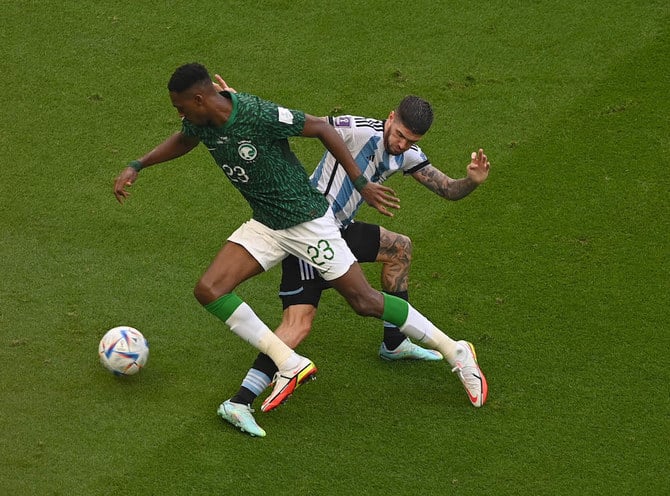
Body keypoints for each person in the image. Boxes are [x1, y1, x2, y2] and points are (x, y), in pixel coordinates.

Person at [114, 63, 487, 437]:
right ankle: (288, 364)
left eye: (180, 107)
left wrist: (361, 182)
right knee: (209, 289)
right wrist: (139, 164)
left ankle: (454, 351)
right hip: (268, 222)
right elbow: (186, 137)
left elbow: (320, 126)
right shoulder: (202, 119)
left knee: (365, 301)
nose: (179, 115)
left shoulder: (254, 114)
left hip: (307, 222)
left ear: (198, 98)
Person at [215, 81, 490, 437]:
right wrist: (241, 105)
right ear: (390, 117)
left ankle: (393, 343)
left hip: (340, 231)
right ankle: (239, 401)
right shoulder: (356, 129)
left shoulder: (406, 154)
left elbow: (449, 190)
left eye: (412, 141)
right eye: (400, 134)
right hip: (308, 234)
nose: (402, 144)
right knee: (299, 324)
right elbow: (307, 123)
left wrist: (471, 181)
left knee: (399, 249)